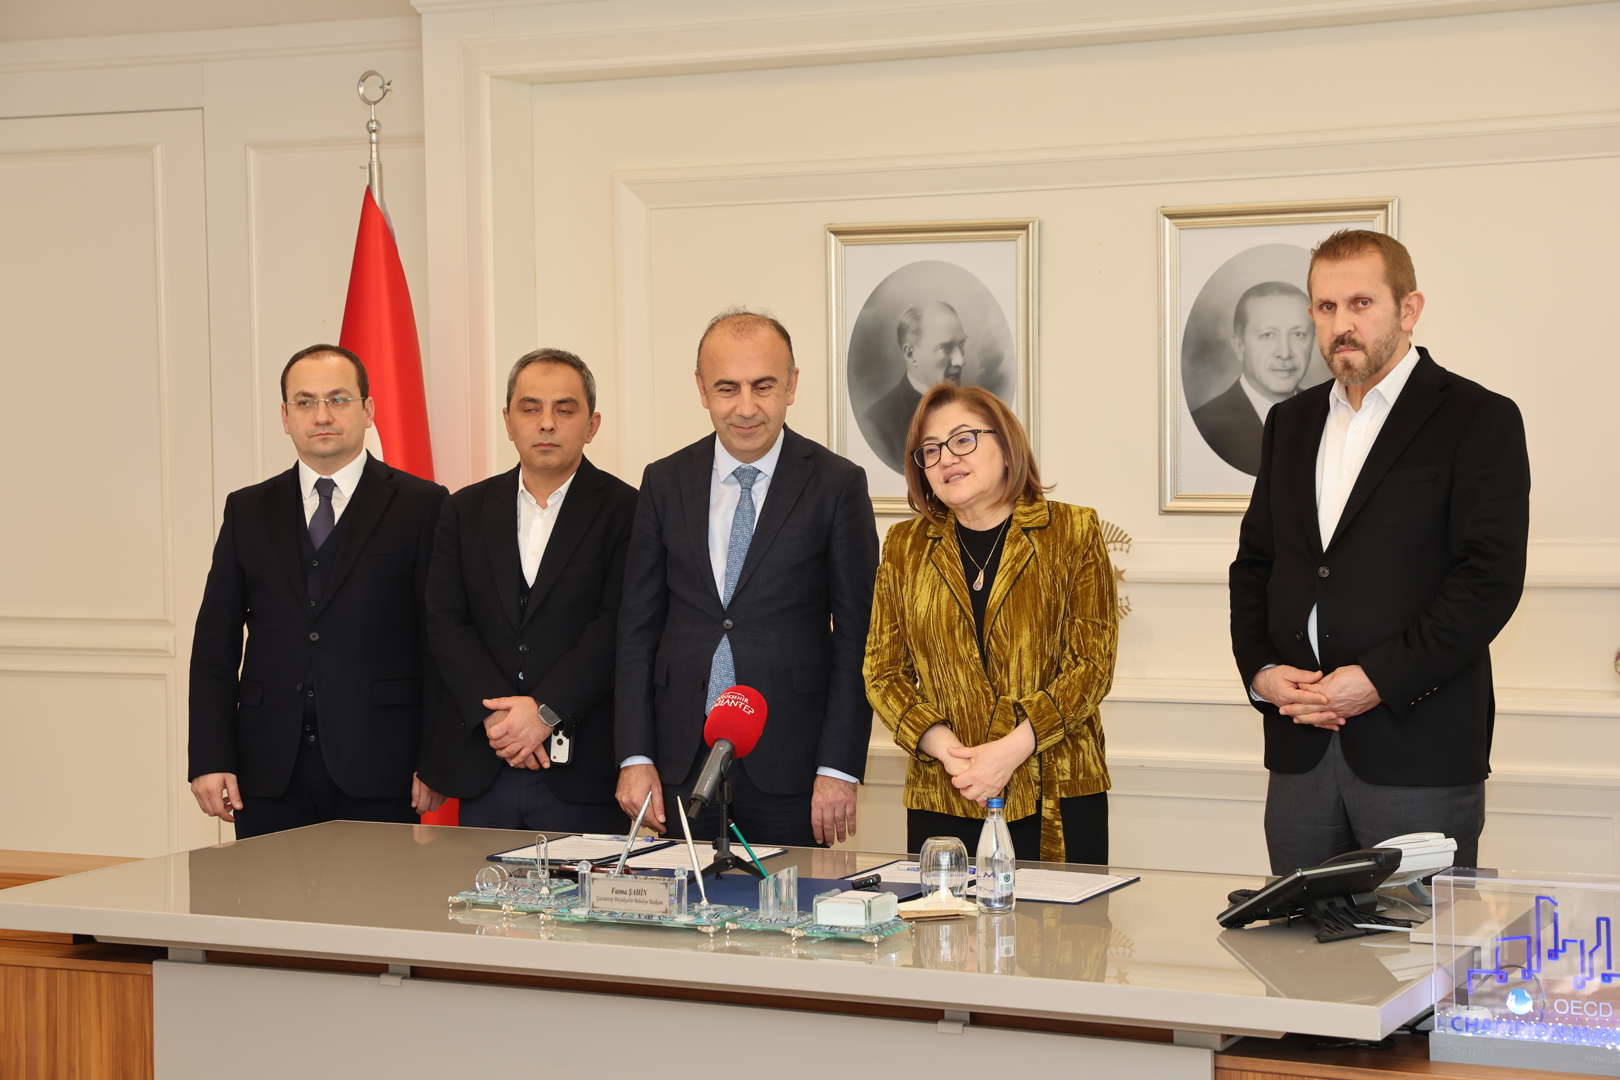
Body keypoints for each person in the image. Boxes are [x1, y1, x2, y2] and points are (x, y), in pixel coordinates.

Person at [1228, 230, 1530, 874]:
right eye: (1326, 307)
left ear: (1409, 309)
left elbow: (1488, 582)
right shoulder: (1290, 423)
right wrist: (1261, 672)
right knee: (1296, 936)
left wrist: (1377, 681)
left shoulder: (1480, 418)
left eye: (1361, 303)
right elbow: (1255, 566)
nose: (1342, 324)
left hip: (1418, 751)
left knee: (1420, 939)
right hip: (1300, 748)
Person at [615, 310, 879, 847]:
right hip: (676, 764)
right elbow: (637, 629)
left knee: (789, 901)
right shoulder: (663, 481)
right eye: (726, 388)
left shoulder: (837, 485)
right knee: (676, 900)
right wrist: (635, 756)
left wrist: (838, 767)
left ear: (792, 385)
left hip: (793, 767)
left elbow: (859, 636)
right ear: (701, 389)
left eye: (763, 386)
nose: (746, 407)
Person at [188, 344, 448, 838]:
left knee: (373, 889)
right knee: (265, 890)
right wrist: (209, 757)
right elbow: (214, 646)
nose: (322, 415)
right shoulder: (248, 509)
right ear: (285, 417)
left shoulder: (423, 506)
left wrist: (437, 758)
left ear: (368, 410)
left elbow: (441, 643)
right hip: (267, 768)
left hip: (382, 764)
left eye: (338, 399)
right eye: (305, 402)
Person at [864, 384, 1117, 864]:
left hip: (1055, 787)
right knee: (945, 914)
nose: (946, 458)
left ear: (1006, 445)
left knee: (1060, 918)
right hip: (947, 787)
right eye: (930, 450)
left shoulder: (1073, 531)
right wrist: (948, 751)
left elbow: (1092, 666)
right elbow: (883, 673)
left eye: (963, 440)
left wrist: (1009, 751)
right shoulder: (904, 546)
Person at [422, 349, 635, 831]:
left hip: (583, 770)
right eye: (530, 408)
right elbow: (446, 622)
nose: (546, 423)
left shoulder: (628, 511)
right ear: (508, 421)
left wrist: (544, 711)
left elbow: (617, 626)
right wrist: (500, 720)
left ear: (592, 424)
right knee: (477, 884)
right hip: (486, 761)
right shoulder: (464, 510)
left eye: (565, 409)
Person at [1191, 281, 1314, 476]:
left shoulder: (1330, 416)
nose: (1284, 353)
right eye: (1268, 335)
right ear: (1239, 346)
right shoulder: (1204, 426)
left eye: (1299, 334)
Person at [863, 300, 968, 473]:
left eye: (961, 345)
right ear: (911, 354)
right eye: (946, 348)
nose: (960, 360)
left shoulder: (975, 412)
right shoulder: (877, 424)